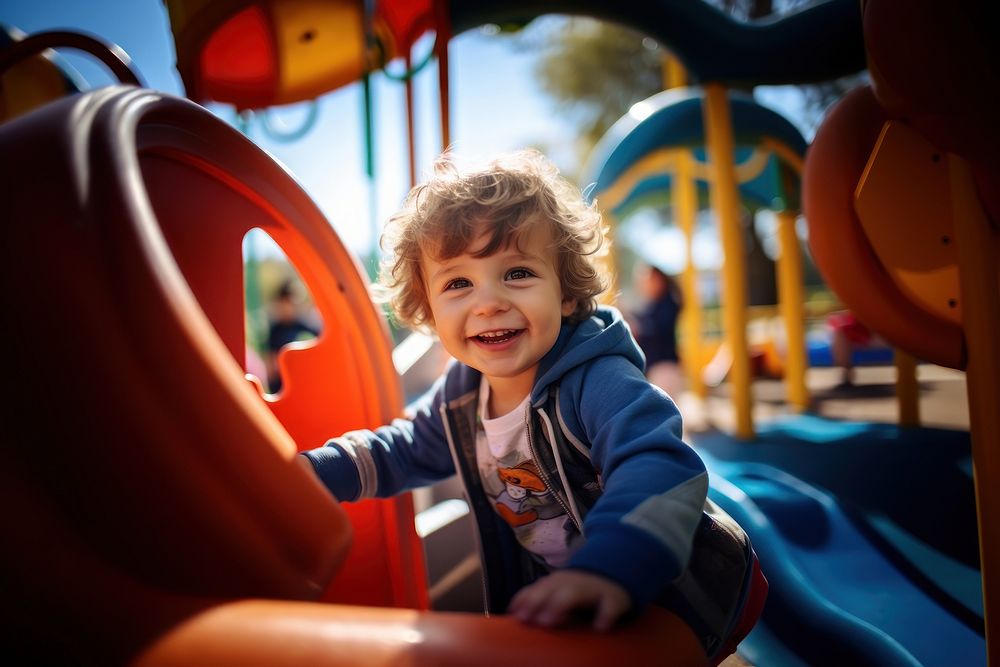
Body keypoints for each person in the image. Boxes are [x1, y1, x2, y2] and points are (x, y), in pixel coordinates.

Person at [298, 150, 765, 665]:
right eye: (458, 283)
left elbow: (659, 468)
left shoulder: (598, 381)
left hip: (674, 588)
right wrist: (315, 474)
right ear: (428, 307)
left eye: (517, 273)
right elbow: (402, 450)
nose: (489, 301)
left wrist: (609, 566)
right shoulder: (461, 394)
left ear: (565, 293)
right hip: (567, 588)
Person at [632, 261, 684, 397]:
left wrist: (638, 329)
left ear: (658, 280)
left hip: (664, 368)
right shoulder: (655, 305)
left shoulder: (667, 304)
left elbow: (656, 331)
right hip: (658, 367)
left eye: (646, 281)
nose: (643, 285)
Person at [265, 279, 319, 393]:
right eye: (285, 303)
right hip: (282, 384)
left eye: (292, 303)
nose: (288, 308)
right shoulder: (276, 330)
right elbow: (271, 362)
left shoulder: (304, 327)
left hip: (303, 382)